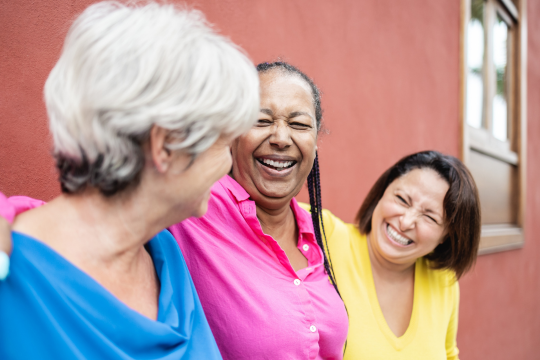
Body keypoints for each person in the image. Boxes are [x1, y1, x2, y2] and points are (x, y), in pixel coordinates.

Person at [0, 61, 349, 359]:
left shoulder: (319, 228)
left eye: (299, 125)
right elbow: (94, 211)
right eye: (261, 120)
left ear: (315, 144)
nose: (281, 137)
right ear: (231, 136)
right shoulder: (195, 203)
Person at [0, 1, 260, 359]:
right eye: (225, 142)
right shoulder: (12, 279)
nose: (229, 163)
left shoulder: (164, 254)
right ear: (166, 144)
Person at [315, 151, 480, 360]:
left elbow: (449, 355)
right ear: (384, 191)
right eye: (402, 199)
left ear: (446, 236)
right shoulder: (325, 235)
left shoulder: (444, 281)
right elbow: (267, 210)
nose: (406, 222)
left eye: (429, 216)